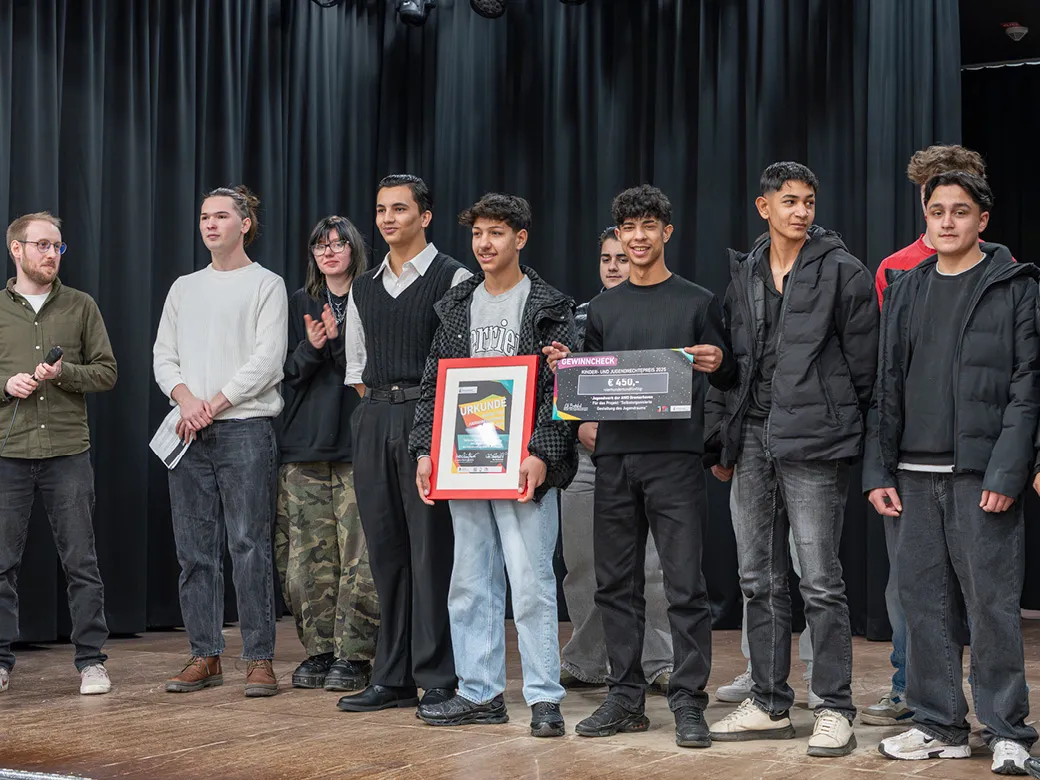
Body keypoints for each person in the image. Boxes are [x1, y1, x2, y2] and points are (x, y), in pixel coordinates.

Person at [545, 184, 736, 749]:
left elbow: (729, 376)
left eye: (648, 226)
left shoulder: (697, 302)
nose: (637, 237)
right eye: (628, 228)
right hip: (613, 461)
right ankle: (625, 698)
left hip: (675, 461)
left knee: (684, 585)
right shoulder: (603, 308)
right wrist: (568, 370)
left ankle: (688, 700)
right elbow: (587, 392)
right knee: (614, 584)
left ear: (666, 232)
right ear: (619, 235)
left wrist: (720, 361)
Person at [867, 171, 1039, 775]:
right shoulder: (907, 286)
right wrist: (878, 469)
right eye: (937, 210)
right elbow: (886, 384)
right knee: (924, 608)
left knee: (992, 608)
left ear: (982, 220)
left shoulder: (1015, 286)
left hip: (980, 477)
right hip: (911, 477)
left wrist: (1007, 472)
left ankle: (1007, 731)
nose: (947, 221)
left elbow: (1028, 386)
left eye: (960, 211)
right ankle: (940, 724)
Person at [705, 163, 877, 757]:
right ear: (764, 207)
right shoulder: (747, 269)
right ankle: (769, 703)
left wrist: (840, 427)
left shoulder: (844, 270)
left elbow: (865, 370)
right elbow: (734, 364)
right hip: (753, 437)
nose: (801, 211)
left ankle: (833, 707)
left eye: (808, 201)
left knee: (819, 581)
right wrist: (722, 441)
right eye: (789, 201)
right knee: (757, 579)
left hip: (815, 441)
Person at [410, 193, 577, 737]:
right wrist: (425, 452)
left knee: (531, 585)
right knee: (469, 581)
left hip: (523, 465)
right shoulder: (457, 305)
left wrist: (541, 453)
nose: (484, 243)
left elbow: (562, 389)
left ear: (520, 238)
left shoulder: (549, 306)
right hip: (465, 462)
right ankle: (479, 692)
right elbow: (434, 388)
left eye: (497, 233)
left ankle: (544, 697)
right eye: (478, 233)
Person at [863, 144, 988, 729]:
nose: (946, 215)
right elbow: (888, 370)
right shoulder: (896, 269)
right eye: (934, 198)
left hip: (975, 459)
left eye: (959, 199)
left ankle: (989, 709)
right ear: (923, 200)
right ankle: (909, 689)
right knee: (911, 585)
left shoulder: (1004, 268)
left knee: (981, 590)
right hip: (913, 459)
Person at [336, 175, 470, 714]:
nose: (387, 219)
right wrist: (383, 411)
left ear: (425, 216)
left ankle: (436, 675)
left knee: (431, 552)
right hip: (374, 417)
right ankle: (391, 675)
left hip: (430, 416)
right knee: (386, 552)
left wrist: (424, 421)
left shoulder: (453, 276)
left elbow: (464, 362)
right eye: (380, 209)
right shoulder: (363, 286)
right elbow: (357, 367)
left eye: (399, 209)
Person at [153, 186, 287, 697]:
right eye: (205, 216)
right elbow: (163, 356)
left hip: (244, 429)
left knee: (249, 546)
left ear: (245, 224)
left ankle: (259, 658)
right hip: (189, 429)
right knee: (194, 552)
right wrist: (187, 400)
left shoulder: (266, 284)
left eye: (222, 216)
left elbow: (267, 360)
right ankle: (205, 655)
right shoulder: (184, 287)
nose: (210, 224)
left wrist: (214, 402)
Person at [0, 212, 117, 695]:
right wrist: (5, 385)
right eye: (43, 245)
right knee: (1, 564)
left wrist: (64, 373)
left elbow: (107, 372)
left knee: (81, 562)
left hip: (68, 453)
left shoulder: (81, 305)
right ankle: (0, 661)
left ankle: (92, 662)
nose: (52, 254)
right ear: (17, 249)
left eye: (58, 246)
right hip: (8, 454)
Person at [560, 226, 673, 695]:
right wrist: (577, 427)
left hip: (646, 452)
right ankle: (588, 661)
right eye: (606, 258)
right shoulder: (575, 317)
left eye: (621, 258)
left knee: (650, 566)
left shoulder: (660, 311)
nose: (613, 266)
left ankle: (659, 661)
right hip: (587, 458)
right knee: (583, 563)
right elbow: (563, 386)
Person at [274, 215, 378, 691]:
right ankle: (319, 651)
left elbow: (372, 370)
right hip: (303, 446)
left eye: (338, 244)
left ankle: (354, 655)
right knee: (306, 560)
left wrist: (337, 344)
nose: (329, 252)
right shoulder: (299, 302)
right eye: (321, 245)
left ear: (354, 249)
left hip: (358, 445)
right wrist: (314, 347)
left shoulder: (373, 297)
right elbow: (282, 374)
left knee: (360, 556)